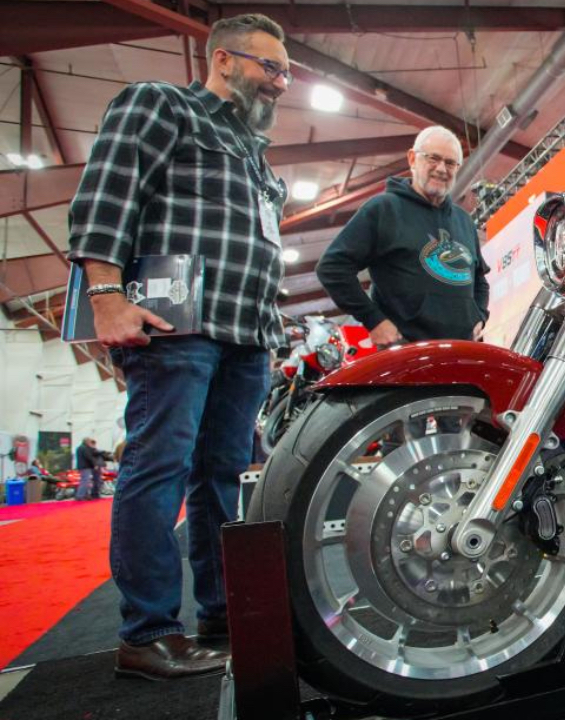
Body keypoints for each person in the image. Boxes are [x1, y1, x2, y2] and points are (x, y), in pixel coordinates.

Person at [67, 13, 291, 680]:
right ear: (223, 60)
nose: (280, 82)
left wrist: (270, 335)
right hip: (176, 329)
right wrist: (107, 295)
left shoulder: (255, 153)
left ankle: (222, 616)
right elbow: (106, 196)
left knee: (222, 479)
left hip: (245, 335)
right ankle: (148, 632)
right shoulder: (160, 103)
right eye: (269, 67)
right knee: (158, 467)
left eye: (285, 72)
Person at [317, 126, 490, 345]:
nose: (441, 169)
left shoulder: (463, 220)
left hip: (462, 353)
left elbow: (480, 280)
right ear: (412, 159)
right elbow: (332, 267)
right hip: (406, 355)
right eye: (433, 158)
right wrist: (374, 320)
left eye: (450, 163)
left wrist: (480, 318)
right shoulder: (383, 209)